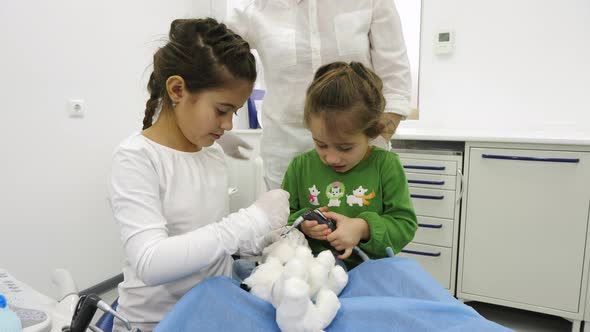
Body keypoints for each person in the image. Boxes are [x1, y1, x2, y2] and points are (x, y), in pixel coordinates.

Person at [107, 18, 290, 332]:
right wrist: (251, 219)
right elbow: (151, 262)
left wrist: (261, 240)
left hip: (212, 309)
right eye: (222, 110)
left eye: (234, 112)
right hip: (157, 322)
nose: (229, 124)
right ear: (177, 89)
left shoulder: (212, 153)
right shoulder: (136, 159)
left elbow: (207, 237)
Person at [227, 0, 412, 189]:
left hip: (358, 153)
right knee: (292, 217)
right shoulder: (254, 7)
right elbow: (211, 59)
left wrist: (375, 144)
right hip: (286, 153)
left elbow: (396, 82)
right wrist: (219, 125)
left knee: (364, 217)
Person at [281, 62, 417, 269]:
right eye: (321, 144)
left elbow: (404, 225)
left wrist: (362, 228)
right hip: (308, 273)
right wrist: (302, 224)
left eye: (345, 148)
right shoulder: (300, 167)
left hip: (368, 274)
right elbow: (281, 218)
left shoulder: (385, 166)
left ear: (371, 132)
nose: (332, 158)